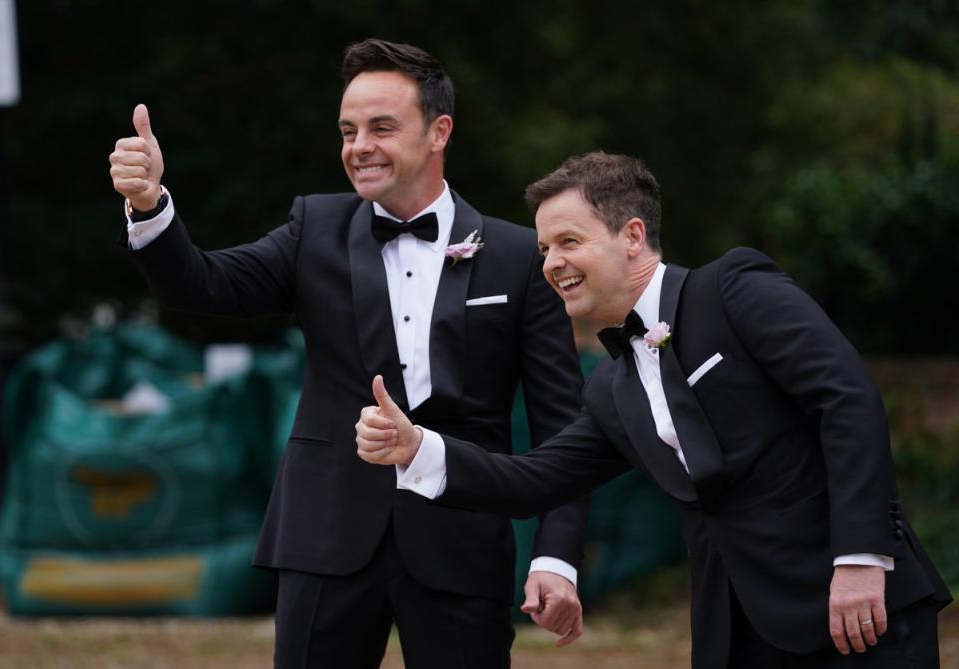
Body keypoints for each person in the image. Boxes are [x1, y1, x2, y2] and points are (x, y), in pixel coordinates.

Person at [355, 151, 953, 668]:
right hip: (736, 634)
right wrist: (420, 448)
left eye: (569, 241)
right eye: (543, 248)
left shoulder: (735, 289)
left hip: (854, 605)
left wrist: (859, 558)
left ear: (633, 236)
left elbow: (846, 399)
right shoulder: (610, 389)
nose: (550, 263)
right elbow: (535, 478)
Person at [109, 39, 590, 669]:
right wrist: (151, 209)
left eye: (381, 127)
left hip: (461, 543)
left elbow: (565, 432)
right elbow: (200, 285)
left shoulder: (515, 256)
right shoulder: (315, 230)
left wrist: (556, 559)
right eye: (348, 130)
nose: (358, 146)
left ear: (439, 131)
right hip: (324, 536)